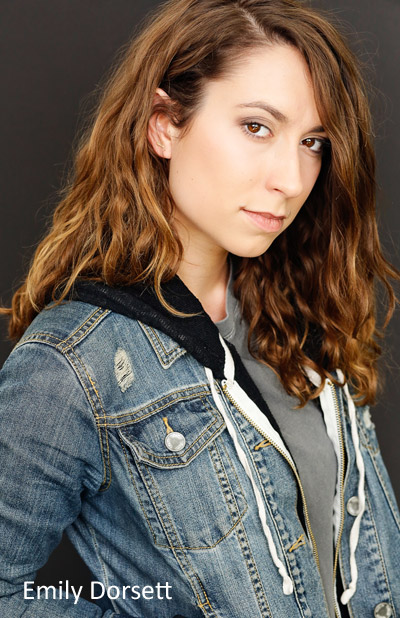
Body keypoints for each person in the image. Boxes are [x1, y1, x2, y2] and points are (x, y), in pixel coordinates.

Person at [0, 0, 399, 616]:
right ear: (164, 125)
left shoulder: (299, 308)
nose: (293, 179)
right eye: (257, 127)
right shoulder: (74, 364)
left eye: (313, 142)